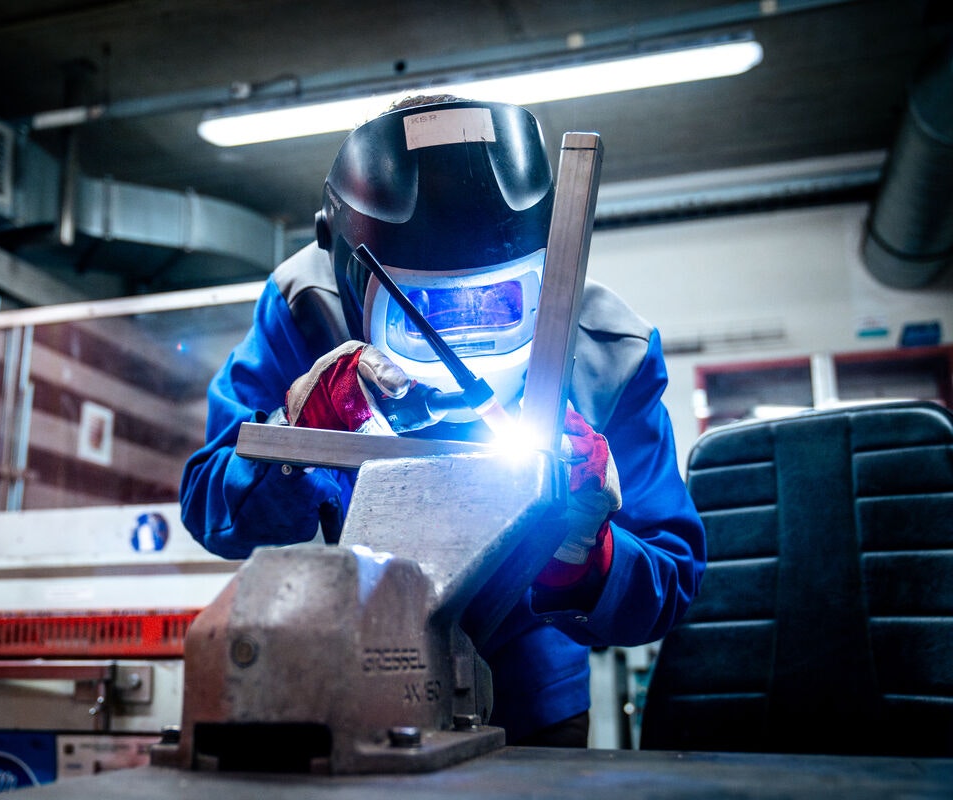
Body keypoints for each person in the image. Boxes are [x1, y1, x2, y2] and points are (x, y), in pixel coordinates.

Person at [180, 96, 705, 748]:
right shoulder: (305, 308)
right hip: (352, 671)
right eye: (422, 309)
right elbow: (210, 508)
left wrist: (587, 555)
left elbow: (672, 578)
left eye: (497, 302)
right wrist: (297, 432)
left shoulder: (609, 349)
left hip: (530, 698)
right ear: (351, 270)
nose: (460, 343)